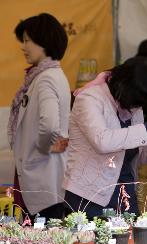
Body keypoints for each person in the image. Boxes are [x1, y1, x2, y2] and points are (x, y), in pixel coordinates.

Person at [63, 57, 147, 219]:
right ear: (128, 87)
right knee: (91, 243)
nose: (138, 107)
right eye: (139, 102)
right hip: (89, 198)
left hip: (125, 196)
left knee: (131, 243)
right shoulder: (90, 99)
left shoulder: (134, 107)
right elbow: (103, 141)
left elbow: (133, 159)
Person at [8, 13, 70, 220]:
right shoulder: (49, 75)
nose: (23, 46)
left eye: (27, 40)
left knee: (41, 240)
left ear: (43, 41)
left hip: (42, 176)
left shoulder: (45, 79)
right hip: (43, 175)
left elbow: (50, 125)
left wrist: (45, 147)